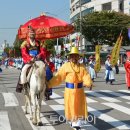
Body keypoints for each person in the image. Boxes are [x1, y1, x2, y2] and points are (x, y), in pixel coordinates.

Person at [47, 47, 93, 129]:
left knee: (79, 107)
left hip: (79, 91)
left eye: (76, 56)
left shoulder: (82, 67)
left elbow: (86, 76)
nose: (74, 58)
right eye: (72, 56)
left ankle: (76, 123)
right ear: (69, 57)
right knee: (71, 107)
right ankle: (74, 123)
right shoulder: (66, 66)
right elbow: (59, 77)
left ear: (78, 57)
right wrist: (49, 84)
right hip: (69, 91)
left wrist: (88, 83)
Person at [16, 26, 48, 93]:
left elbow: (43, 51)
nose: (32, 34)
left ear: (35, 34)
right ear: (28, 34)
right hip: (29, 61)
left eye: (33, 33)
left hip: (38, 60)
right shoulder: (25, 43)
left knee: (46, 70)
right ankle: (22, 85)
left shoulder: (39, 42)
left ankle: (47, 86)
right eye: (31, 33)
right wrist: (30, 58)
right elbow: (24, 53)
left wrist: (40, 55)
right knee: (23, 70)